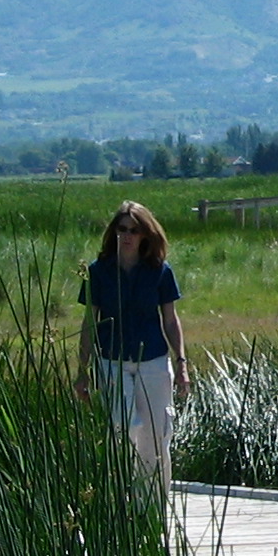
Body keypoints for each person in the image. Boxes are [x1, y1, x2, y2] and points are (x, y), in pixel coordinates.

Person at [75, 201, 191, 497]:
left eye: (134, 230)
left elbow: (170, 319)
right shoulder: (98, 272)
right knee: (121, 427)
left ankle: (152, 504)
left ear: (145, 234)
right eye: (121, 229)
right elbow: (90, 321)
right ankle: (120, 500)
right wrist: (83, 371)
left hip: (152, 359)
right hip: (111, 360)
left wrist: (182, 364)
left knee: (156, 433)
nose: (126, 235)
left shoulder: (160, 271)